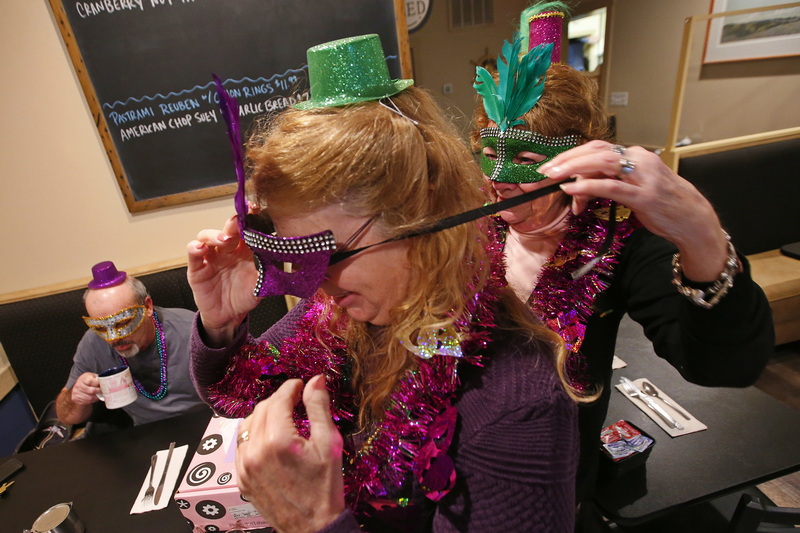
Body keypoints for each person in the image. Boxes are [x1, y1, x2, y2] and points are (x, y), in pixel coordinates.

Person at [188, 34, 584, 532]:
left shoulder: (517, 401)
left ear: (422, 215)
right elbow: (241, 394)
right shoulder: (341, 313)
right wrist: (221, 324)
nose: (314, 284)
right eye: (301, 259)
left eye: (331, 254)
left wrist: (314, 522)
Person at [472, 1, 774, 513]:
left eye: (525, 158)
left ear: (575, 158)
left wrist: (702, 238)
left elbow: (726, 366)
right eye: (488, 153)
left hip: (554, 475)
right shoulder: (468, 223)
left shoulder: (618, 234)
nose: (500, 178)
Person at [56, 261, 208, 427]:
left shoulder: (190, 331)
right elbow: (67, 417)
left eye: (122, 323)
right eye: (101, 327)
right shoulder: (93, 343)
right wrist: (77, 396)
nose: (113, 338)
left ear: (147, 307)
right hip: (143, 435)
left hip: (203, 425)